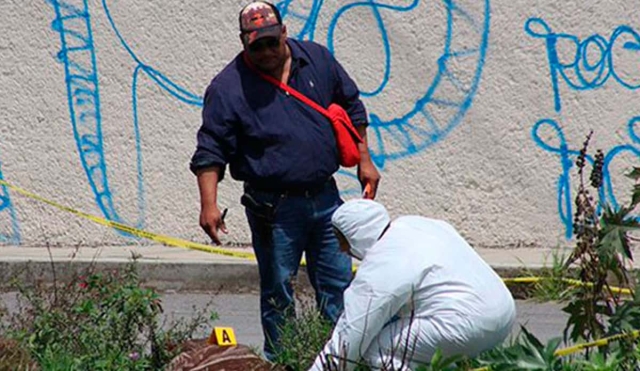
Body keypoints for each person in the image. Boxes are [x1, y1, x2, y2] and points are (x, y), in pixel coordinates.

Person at [189, 1, 381, 361]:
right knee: (279, 293)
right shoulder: (229, 88)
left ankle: (339, 361)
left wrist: (365, 160)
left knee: (339, 287)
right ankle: (284, 363)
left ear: (284, 33)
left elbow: (352, 107)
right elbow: (210, 149)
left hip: (326, 199)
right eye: (255, 45)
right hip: (273, 209)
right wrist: (208, 204)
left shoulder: (318, 61)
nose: (265, 51)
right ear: (244, 43)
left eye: (270, 42)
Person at [309, 199, 516, 371]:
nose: (342, 250)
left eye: (341, 240)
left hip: (466, 324)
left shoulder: (382, 263)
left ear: (355, 234)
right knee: (418, 350)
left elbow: (352, 333)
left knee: (376, 349)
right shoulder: (416, 224)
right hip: (504, 313)